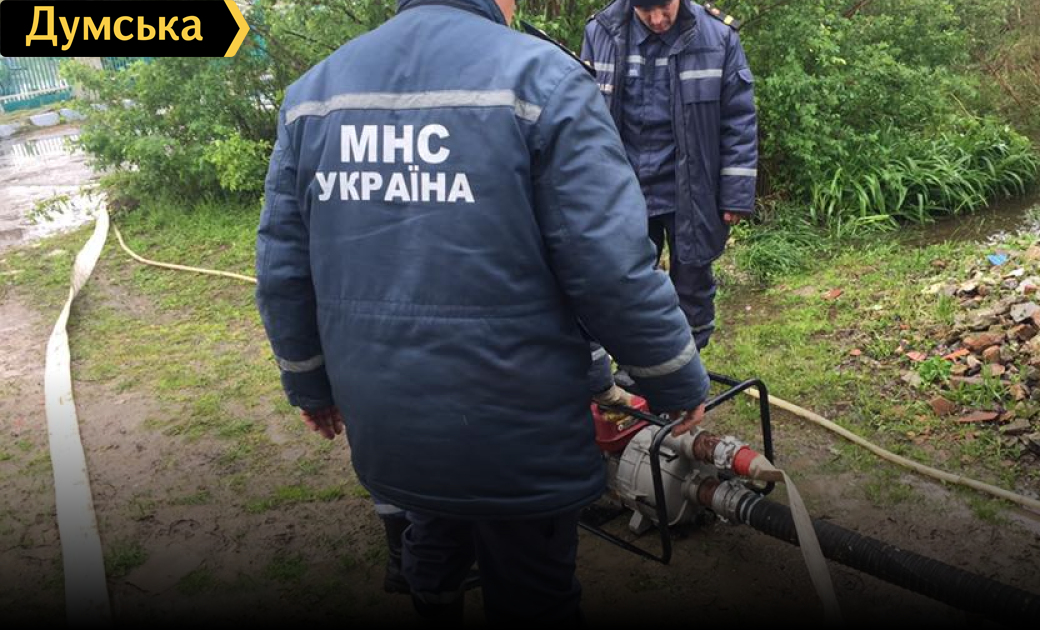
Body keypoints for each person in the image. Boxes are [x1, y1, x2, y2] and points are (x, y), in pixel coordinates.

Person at [254, 0, 711, 624]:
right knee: (531, 587)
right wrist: (673, 375)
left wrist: (309, 383)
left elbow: (283, 269)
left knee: (432, 529)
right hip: (517, 428)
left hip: (390, 421)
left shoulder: (313, 95)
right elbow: (609, 266)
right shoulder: (542, 80)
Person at [580, 0, 757, 387]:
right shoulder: (600, 33)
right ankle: (635, 374)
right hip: (624, 193)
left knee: (692, 287)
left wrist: (736, 193)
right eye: (647, 13)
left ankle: (684, 380)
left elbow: (739, 121)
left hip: (692, 191)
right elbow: (583, 119)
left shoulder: (718, 37)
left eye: (665, 8)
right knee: (626, 286)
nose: (659, 20)